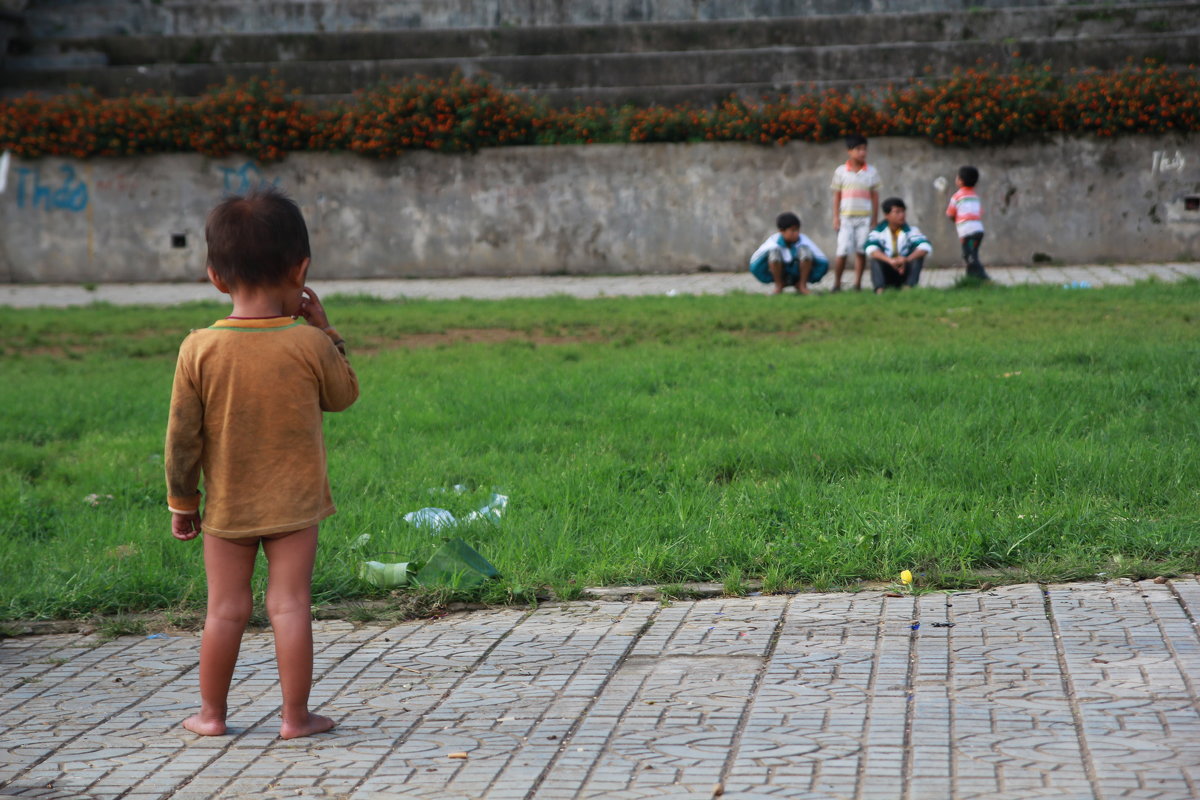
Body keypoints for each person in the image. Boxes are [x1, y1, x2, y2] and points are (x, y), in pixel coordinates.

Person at [165, 187, 359, 740]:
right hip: (295, 504)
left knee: (225, 610)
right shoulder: (307, 342)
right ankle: (295, 717)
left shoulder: (198, 349)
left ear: (215, 276)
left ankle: (211, 715)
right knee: (290, 605)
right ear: (301, 270)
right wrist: (327, 329)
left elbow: (182, 439)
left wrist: (183, 501)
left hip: (227, 506)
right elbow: (344, 396)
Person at [830, 134, 881, 292]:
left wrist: (874, 218)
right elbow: (837, 196)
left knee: (861, 250)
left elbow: (875, 196)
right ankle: (837, 284)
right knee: (842, 250)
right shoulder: (840, 172)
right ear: (849, 151)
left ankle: (857, 284)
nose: (862, 152)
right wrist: (836, 217)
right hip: (846, 218)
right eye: (858, 149)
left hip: (864, 218)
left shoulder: (871, 172)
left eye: (864, 149)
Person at [748, 211, 829, 295]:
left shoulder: (804, 240)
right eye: (793, 230)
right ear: (782, 231)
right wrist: (768, 278)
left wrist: (812, 278)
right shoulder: (773, 242)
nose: (796, 233)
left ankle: (802, 285)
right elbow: (755, 265)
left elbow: (823, 262)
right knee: (774, 254)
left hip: (798, 272)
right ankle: (778, 286)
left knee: (805, 252)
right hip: (781, 273)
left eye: (798, 230)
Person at [864, 197, 932, 293]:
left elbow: (925, 246)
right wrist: (890, 261)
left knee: (918, 256)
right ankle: (880, 289)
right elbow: (871, 248)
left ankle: (908, 288)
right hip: (887, 269)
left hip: (904, 269)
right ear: (887, 215)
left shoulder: (912, 231)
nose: (902, 215)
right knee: (876, 258)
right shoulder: (878, 232)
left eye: (903, 211)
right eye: (897, 212)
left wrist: (906, 259)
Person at [946, 165, 991, 281]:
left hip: (967, 233)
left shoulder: (957, 197)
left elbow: (950, 214)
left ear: (960, 181)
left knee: (970, 256)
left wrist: (956, 220)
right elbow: (979, 213)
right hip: (978, 231)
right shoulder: (975, 197)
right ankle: (971, 277)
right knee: (971, 254)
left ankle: (983, 277)